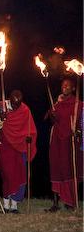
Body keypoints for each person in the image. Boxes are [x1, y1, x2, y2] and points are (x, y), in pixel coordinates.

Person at [0, 90, 37, 213]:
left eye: (18, 104)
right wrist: (2, 119)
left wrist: (29, 137)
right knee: (7, 174)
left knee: (19, 174)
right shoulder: (0, 106)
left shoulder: (25, 110)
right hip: (4, 145)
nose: (16, 107)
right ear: (9, 99)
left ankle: (14, 206)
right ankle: (6, 205)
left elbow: (30, 129)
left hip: (19, 146)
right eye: (14, 104)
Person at [46, 77, 82, 212]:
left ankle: (70, 201)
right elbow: (51, 120)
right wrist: (52, 116)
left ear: (73, 88)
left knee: (69, 169)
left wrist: (78, 131)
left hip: (70, 141)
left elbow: (81, 123)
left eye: (67, 86)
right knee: (55, 168)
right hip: (56, 141)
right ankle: (55, 203)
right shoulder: (57, 104)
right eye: (63, 85)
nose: (64, 87)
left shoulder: (79, 104)